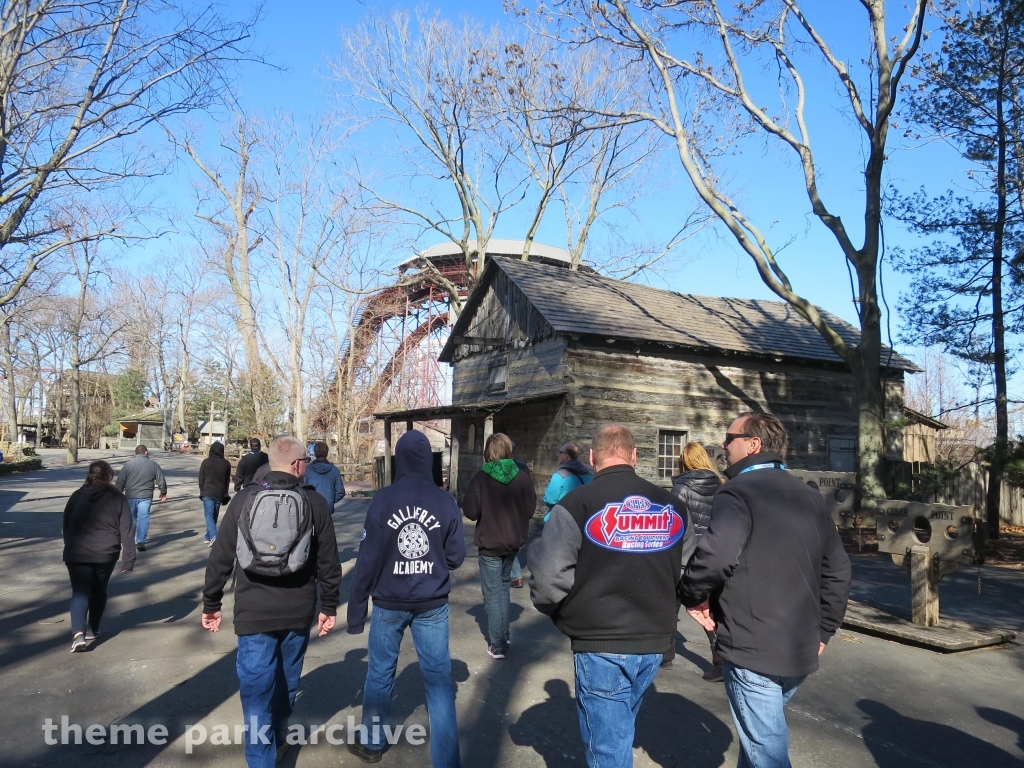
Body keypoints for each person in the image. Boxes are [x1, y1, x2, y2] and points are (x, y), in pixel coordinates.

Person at [681, 412, 851, 768]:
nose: (723, 446)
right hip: (799, 648)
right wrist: (824, 631)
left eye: (730, 438)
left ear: (753, 444)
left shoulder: (738, 491)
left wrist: (691, 594)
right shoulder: (809, 496)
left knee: (767, 753)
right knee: (757, 744)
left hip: (752, 648)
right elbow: (837, 570)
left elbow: (716, 555)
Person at [529, 424, 694, 768]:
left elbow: (547, 579)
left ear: (591, 458)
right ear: (635, 456)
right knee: (617, 731)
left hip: (600, 641)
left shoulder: (575, 504)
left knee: (608, 748)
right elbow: (689, 570)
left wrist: (563, 615)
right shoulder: (673, 505)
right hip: (653, 639)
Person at [202, 436, 342, 768]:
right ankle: (279, 739)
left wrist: (211, 603)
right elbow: (329, 564)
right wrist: (329, 606)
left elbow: (221, 556)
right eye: (305, 460)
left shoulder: (244, 500)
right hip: (298, 611)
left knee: (255, 692)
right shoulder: (315, 503)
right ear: (297, 465)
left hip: (253, 612)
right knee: (287, 680)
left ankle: (260, 760)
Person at [347, 430, 466, 765]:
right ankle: (447, 760)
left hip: (389, 602)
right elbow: (456, 556)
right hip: (432, 603)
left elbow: (367, 560)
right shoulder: (445, 502)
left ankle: (372, 741)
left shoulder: (383, 501)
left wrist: (356, 613)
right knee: (440, 682)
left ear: (398, 460)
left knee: (381, 672)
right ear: (428, 460)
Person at [462, 433, 536, 659]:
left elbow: (470, 511)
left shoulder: (482, 478)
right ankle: (503, 636)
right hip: (513, 541)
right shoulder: (522, 477)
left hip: (490, 543)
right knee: (502, 589)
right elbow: (531, 509)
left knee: (493, 594)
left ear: (488, 451)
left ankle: (498, 644)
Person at [665, 442, 725, 677]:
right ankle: (720, 661)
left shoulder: (681, 489)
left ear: (684, 462)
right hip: (713, 554)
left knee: (673, 604)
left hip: (686, 554)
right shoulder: (721, 486)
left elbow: (673, 525)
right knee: (710, 609)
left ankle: (666, 654)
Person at [63, 460, 135, 652]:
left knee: (79, 591)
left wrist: (69, 545)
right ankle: (93, 629)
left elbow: (66, 524)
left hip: (77, 552)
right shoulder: (118, 498)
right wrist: (129, 557)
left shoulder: (76, 496)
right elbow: (126, 530)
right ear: (109, 476)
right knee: (99, 588)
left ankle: (78, 634)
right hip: (106, 552)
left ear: (89, 474)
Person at [115, 444, 167, 552]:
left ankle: (129, 540)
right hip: (146, 496)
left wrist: (117, 494)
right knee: (144, 518)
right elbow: (160, 480)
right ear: (146, 452)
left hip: (130, 496)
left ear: (136, 453)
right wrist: (163, 492)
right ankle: (141, 541)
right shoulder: (153, 464)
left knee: (131, 518)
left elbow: (120, 481)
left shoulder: (128, 465)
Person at [507, 438, 533, 589]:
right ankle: (514, 575)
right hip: (520, 510)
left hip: (508, 510)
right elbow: (529, 491)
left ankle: (515, 576)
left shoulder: (497, 468)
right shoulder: (522, 467)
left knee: (508, 545)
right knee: (513, 543)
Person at [198, 441, 232, 547]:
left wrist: (202, 489)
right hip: (219, 492)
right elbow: (227, 481)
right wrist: (225, 492)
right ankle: (208, 536)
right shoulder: (226, 464)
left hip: (207, 491)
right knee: (214, 515)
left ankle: (213, 536)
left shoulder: (206, 462)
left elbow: (201, 478)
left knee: (209, 515)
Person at [303, 441, 346, 509]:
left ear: (315, 453)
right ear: (327, 453)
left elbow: (303, 490)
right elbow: (340, 492)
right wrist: (331, 500)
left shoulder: (307, 470)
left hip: (312, 506)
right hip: (328, 506)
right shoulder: (334, 470)